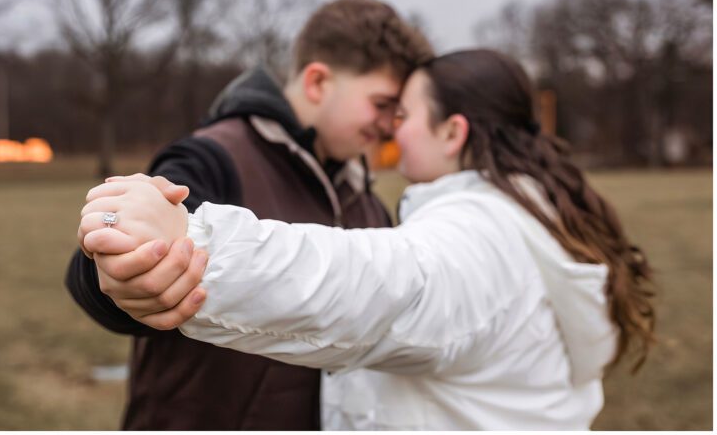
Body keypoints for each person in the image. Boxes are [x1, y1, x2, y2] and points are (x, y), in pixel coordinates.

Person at [79, 49, 656, 430]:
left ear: (453, 132)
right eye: (386, 109)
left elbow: (376, 284)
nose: (390, 130)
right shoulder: (529, 215)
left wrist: (193, 241)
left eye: (403, 115)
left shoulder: (481, 234)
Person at [65, 0, 434, 429]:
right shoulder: (214, 157)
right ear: (318, 82)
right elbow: (114, 260)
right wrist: (119, 268)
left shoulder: (368, 202)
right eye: (382, 104)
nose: (389, 126)